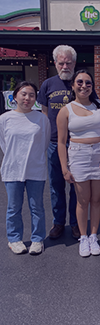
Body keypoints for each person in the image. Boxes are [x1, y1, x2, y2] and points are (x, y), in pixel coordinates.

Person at [57, 70, 100, 257]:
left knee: (96, 200)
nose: (84, 86)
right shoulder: (66, 110)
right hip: (78, 156)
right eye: (80, 82)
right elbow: (62, 142)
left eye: (88, 83)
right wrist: (65, 167)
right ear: (72, 85)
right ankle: (83, 237)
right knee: (82, 200)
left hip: (99, 156)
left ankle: (94, 236)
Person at [0, 82, 50, 255]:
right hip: (12, 169)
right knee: (13, 207)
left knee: (36, 207)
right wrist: (16, 158)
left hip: (35, 169)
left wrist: (32, 158)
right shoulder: (4, 119)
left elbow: (44, 142)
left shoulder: (41, 119)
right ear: (15, 97)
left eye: (31, 95)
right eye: (23, 94)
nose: (27, 98)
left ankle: (37, 239)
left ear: (35, 99)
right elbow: (4, 144)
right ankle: (14, 239)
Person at [37, 45, 79, 240]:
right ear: (55, 63)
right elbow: (44, 113)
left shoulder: (81, 83)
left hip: (78, 144)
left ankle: (76, 223)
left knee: (77, 186)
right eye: (61, 62)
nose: (65, 66)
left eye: (68, 62)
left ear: (74, 63)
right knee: (56, 185)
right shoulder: (47, 84)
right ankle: (58, 222)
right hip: (54, 143)